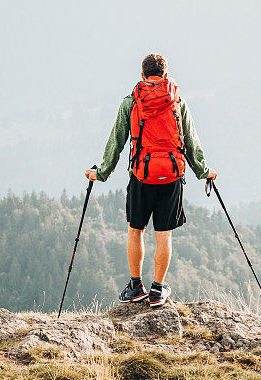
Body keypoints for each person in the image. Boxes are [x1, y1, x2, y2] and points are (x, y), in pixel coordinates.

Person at [85, 53, 216, 307]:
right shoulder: (178, 102)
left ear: (143, 75)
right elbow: (191, 141)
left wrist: (100, 173)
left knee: (136, 230)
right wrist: (204, 171)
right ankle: (157, 290)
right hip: (172, 175)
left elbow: (116, 142)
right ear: (165, 75)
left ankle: (136, 287)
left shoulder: (131, 102)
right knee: (163, 234)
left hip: (141, 177)